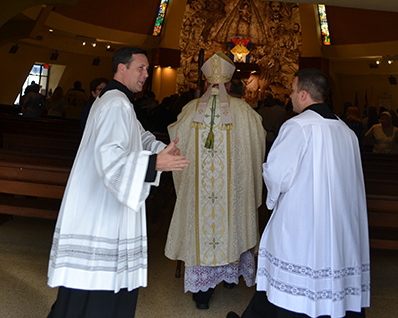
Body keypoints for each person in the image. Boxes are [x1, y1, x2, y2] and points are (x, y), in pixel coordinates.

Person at [46, 47, 189, 318]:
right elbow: (110, 156)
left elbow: (138, 135)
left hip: (98, 204)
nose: (147, 74)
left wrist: (161, 149)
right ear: (121, 68)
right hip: (102, 209)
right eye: (141, 68)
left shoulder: (117, 101)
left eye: (147, 69)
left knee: (85, 284)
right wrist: (154, 163)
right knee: (99, 283)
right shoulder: (115, 103)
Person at [227, 67, 370, 318]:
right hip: (340, 225)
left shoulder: (297, 127)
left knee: (292, 280)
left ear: (304, 94)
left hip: (303, 224)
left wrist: (271, 199)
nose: (290, 96)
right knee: (330, 276)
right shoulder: (346, 132)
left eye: (293, 91)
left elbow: (277, 174)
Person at [165, 51, 266, 310]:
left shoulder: (190, 110)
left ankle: (202, 296)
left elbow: (175, 139)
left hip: (199, 190)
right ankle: (231, 279)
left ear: (208, 81)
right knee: (233, 227)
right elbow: (258, 145)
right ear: (230, 82)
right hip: (233, 191)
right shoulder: (245, 112)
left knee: (202, 230)